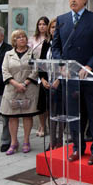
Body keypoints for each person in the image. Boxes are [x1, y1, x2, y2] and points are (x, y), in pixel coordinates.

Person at [52, 0, 93, 165]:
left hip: (89, 76)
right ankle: (77, 147)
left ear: (85, 0)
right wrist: (61, 65)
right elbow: (55, 47)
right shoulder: (62, 20)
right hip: (70, 78)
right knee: (74, 114)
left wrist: (89, 65)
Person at [0, 30, 40, 155]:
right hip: (12, 89)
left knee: (27, 116)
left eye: (23, 37)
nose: (22, 39)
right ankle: (13, 142)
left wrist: (24, 83)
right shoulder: (8, 54)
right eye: (18, 37)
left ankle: (26, 141)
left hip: (28, 88)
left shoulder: (33, 53)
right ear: (14, 40)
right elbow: (4, 70)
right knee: (13, 117)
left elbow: (35, 70)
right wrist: (16, 84)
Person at [40, 18, 63, 150]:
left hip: (60, 84)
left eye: (56, 27)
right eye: (52, 27)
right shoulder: (46, 43)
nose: (54, 30)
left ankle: (59, 140)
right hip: (48, 84)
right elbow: (41, 63)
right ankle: (52, 140)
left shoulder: (64, 43)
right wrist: (43, 79)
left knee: (60, 113)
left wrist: (59, 79)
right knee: (51, 113)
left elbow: (67, 64)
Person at [29, 16, 50, 137]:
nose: (41, 26)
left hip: (45, 71)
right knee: (38, 101)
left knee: (44, 101)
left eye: (44, 24)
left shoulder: (50, 39)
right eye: (39, 24)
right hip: (34, 70)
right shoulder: (33, 39)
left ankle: (47, 125)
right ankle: (42, 125)